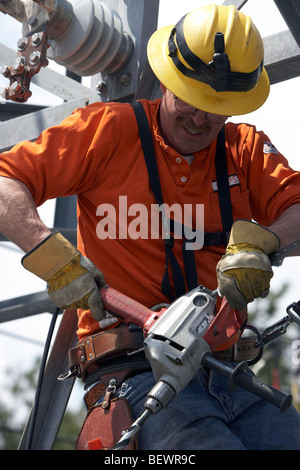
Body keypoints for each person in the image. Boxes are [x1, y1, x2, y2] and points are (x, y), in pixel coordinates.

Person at [1, 4, 300, 450]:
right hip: (132, 373)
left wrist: (265, 243)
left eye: (216, 110)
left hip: (227, 372)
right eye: (192, 101)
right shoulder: (107, 132)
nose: (201, 120)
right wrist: (50, 256)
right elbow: (7, 180)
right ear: (165, 81)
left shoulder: (243, 149)